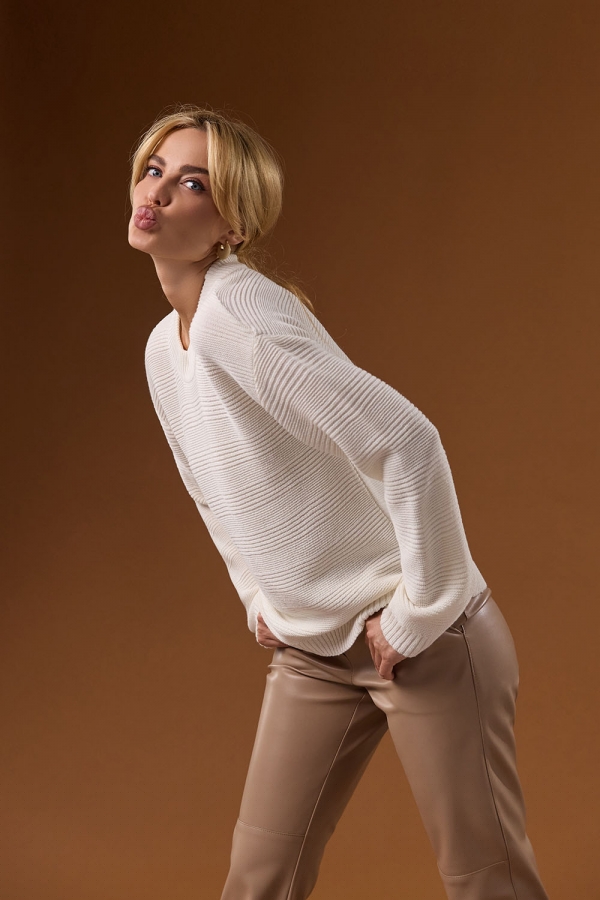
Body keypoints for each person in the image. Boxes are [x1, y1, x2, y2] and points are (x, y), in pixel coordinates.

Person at [127, 103, 550, 900]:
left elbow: (409, 441)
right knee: (260, 878)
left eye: (194, 184)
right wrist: (257, 593)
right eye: (155, 170)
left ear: (231, 227)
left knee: (487, 881)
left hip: (426, 641)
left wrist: (420, 613)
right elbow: (207, 484)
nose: (159, 192)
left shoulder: (237, 316)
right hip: (312, 646)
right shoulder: (163, 349)